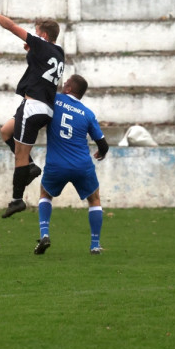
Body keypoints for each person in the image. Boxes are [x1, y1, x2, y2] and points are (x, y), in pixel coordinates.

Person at [0, 1, 64, 218]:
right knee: (6, 131)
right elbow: (41, 65)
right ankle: (30, 168)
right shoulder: (58, 52)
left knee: (20, 156)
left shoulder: (41, 45)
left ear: (43, 35)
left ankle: (17, 200)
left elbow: (11, 27)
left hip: (33, 107)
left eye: (36, 33)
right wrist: (32, 50)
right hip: (44, 108)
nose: (33, 35)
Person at [34, 74, 110, 255]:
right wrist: (102, 152)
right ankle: (95, 245)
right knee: (94, 200)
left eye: (65, 83)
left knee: (45, 194)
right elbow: (103, 144)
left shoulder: (54, 100)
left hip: (56, 165)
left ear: (68, 89)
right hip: (81, 165)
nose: (63, 85)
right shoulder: (88, 113)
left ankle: (44, 234)